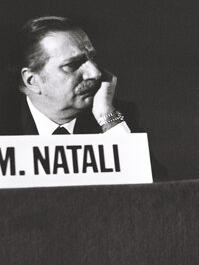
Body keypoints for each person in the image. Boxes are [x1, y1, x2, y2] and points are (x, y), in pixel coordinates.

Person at [0, 15, 167, 177]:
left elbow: (155, 195)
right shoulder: (5, 125)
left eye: (91, 58)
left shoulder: (115, 114)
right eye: (72, 65)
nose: (94, 73)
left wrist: (108, 118)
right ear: (32, 80)